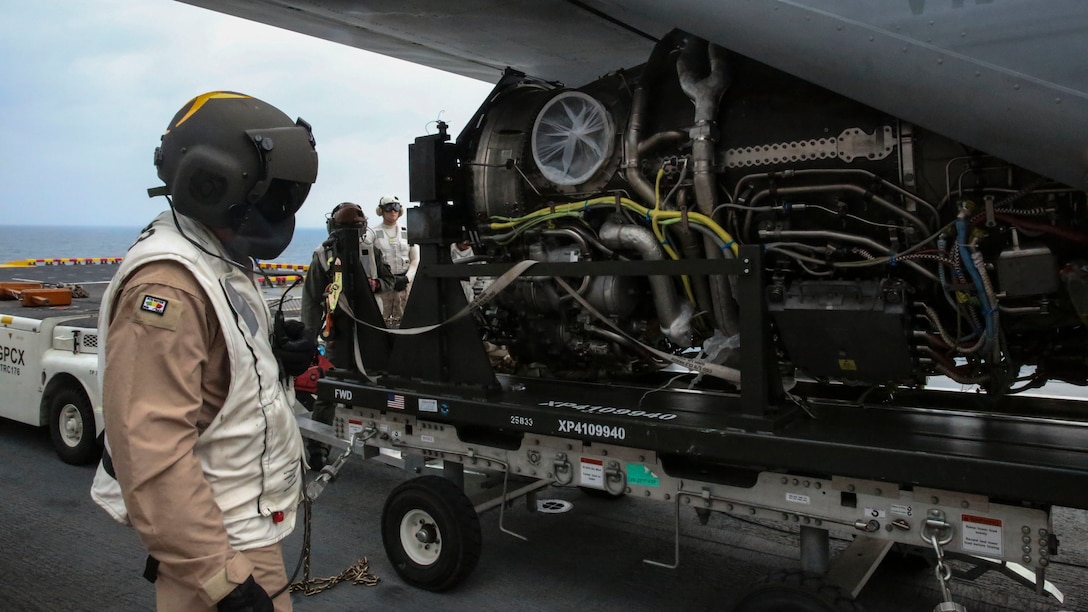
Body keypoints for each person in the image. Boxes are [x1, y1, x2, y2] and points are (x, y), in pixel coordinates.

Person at [90, 91, 319, 612]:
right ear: (212, 181)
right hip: (219, 545)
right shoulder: (172, 287)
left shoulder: (214, 256)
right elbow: (151, 450)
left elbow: (215, 380)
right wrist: (223, 581)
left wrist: (275, 359)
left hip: (240, 529)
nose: (282, 208)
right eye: (276, 194)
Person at [299, 202, 393, 467]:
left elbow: (388, 280)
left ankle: (382, 440)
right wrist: (309, 337)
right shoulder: (324, 255)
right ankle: (319, 447)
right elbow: (313, 299)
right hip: (339, 332)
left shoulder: (370, 252)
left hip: (370, 330)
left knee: (375, 386)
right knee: (331, 390)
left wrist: (376, 284)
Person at [365, 195, 419, 326]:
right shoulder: (372, 233)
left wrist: (407, 278)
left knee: (407, 321)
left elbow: (415, 259)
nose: (393, 211)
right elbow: (366, 259)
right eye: (388, 208)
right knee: (381, 321)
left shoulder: (409, 232)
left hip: (405, 285)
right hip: (383, 286)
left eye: (396, 208)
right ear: (381, 211)